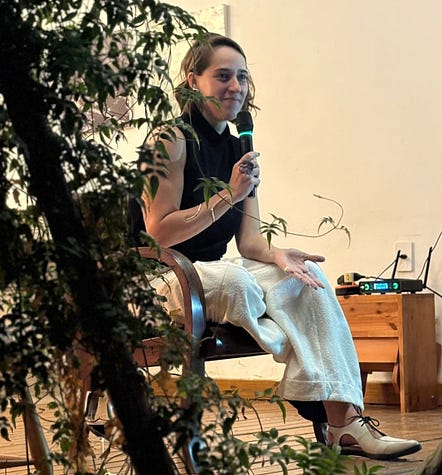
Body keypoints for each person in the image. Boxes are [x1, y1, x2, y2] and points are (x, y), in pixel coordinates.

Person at [138, 32, 421, 460]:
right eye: (223, 76)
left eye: (242, 77)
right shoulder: (170, 138)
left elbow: (248, 241)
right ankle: (306, 376)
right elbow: (158, 234)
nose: (236, 86)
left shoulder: (240, 148)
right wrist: (229, 194)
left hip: (210, 271)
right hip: (160, 276)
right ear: (193, 80)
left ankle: (344, 424)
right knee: (236, 282)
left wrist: (276, 255)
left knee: (307, 279)